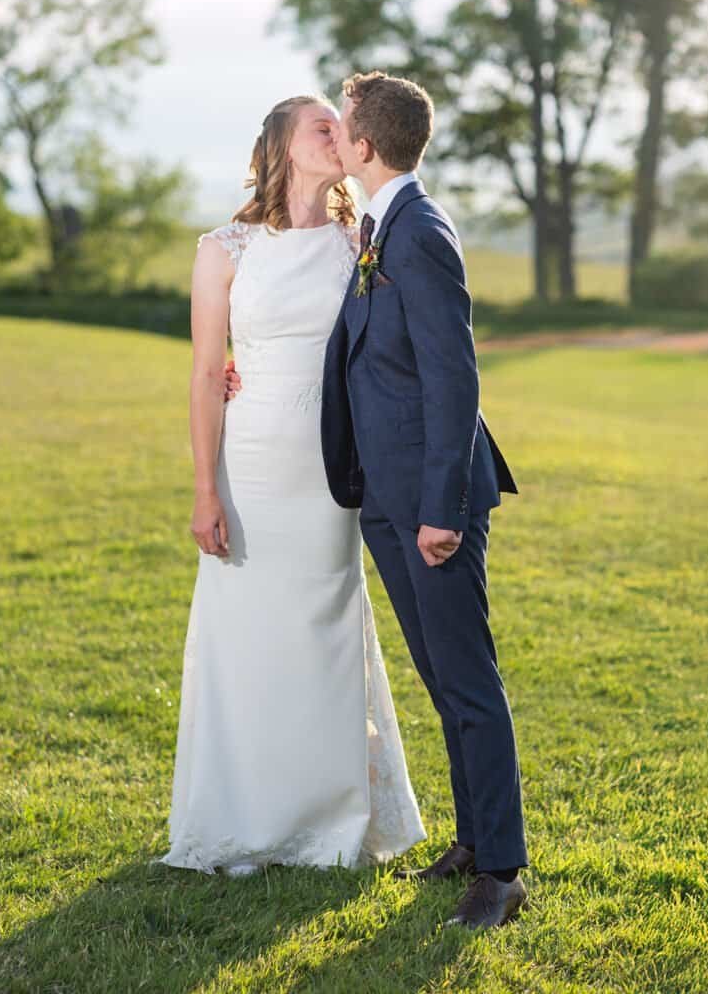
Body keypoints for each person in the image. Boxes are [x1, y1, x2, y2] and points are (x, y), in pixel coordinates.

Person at [226, 72, 530, 930]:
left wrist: (441, 507)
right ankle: (472, 841)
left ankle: (501, 873)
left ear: (362, 145)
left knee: (467, 681)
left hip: (432, 503)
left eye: (342, 124)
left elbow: (453, 375)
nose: (336, 136)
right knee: (441, 678)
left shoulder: (419, 231)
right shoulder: (378, 227)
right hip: (387, 496)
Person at [156, 93, 426, 877]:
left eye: (340, 128)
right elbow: (209, 373)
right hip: (253, 465)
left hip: (334, 466)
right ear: (280, 144)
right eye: (321, 125)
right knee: (245, 633)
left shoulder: (361, 242)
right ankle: (241, 810)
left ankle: (327, 818)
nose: (338, 135)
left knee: (326, 629)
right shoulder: (225, 248)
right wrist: (205, 491)